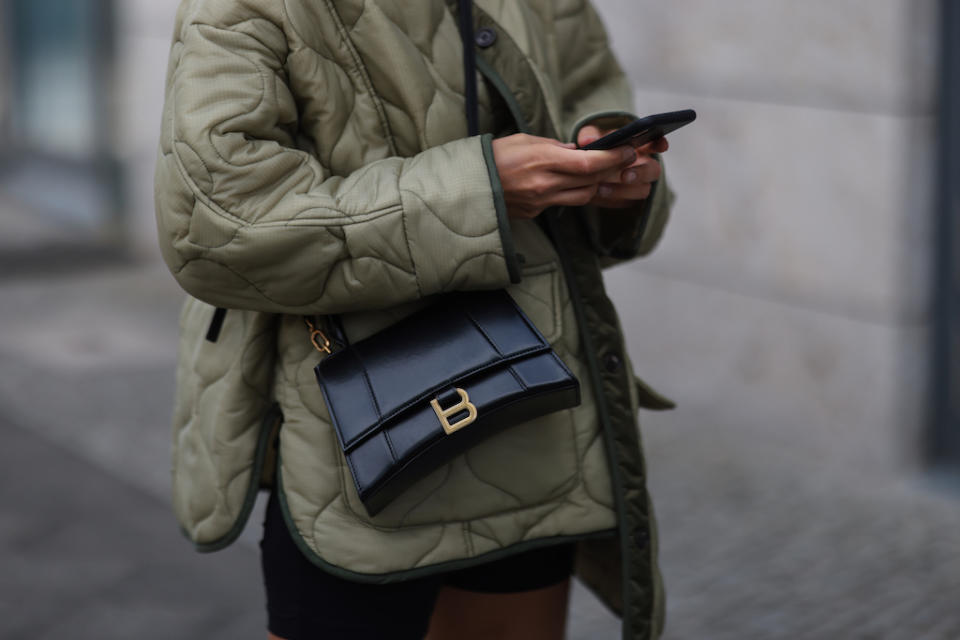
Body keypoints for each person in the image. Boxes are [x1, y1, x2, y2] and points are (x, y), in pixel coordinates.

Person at [154, 1, 677, 638]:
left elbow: (591, 86)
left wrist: (606, 164)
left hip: (534, 422)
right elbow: (215, 224)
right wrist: (481, 190)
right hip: (356, 443)